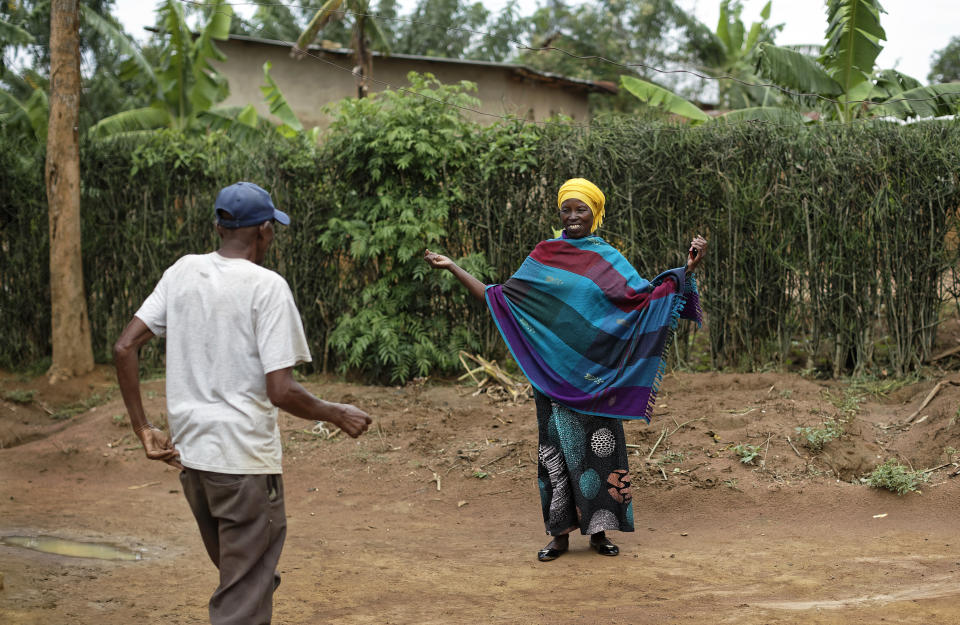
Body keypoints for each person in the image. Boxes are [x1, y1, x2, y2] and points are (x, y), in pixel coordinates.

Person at [113, 181, 372, 624]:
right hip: (245, 466)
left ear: (219, 226)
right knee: (242, 597)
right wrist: (335, 413)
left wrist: (143, 428)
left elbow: (124, 347)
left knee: (247, 575)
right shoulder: (267, 287)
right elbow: (281, 390)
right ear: (265, 231)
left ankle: (254, 584)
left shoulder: (182, 272)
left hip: (194, 462)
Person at [424, 178, 706, 562]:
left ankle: (600, 532)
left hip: (597, 378)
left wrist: (685, 271)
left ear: (596, 214)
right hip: (552, 378)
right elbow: (501, 298)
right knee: (554, 454)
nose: (572, 217)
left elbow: (644, 298)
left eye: (581, 210)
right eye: (566, 210)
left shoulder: (609, 259)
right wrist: (453, 267)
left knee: (601, 453)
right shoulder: (543, 257)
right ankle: (559, 536)